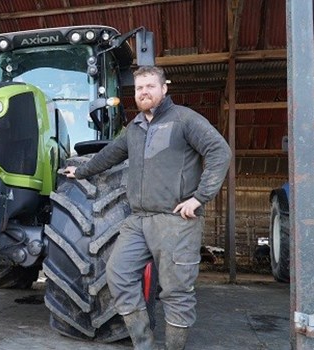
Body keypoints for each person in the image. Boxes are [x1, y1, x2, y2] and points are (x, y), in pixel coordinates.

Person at [63, 66, 231, 350]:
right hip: (139, 220)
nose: (144, 92)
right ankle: (145, 345)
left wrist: (200, 197)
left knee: (176, 291)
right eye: (140, 88)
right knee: (117, 274)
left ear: (164, 88)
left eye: (150, 86)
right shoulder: (135, 129)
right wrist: (80, 172)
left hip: (175, 220)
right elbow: (109, 155)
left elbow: (220, 151)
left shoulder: (184, 120)